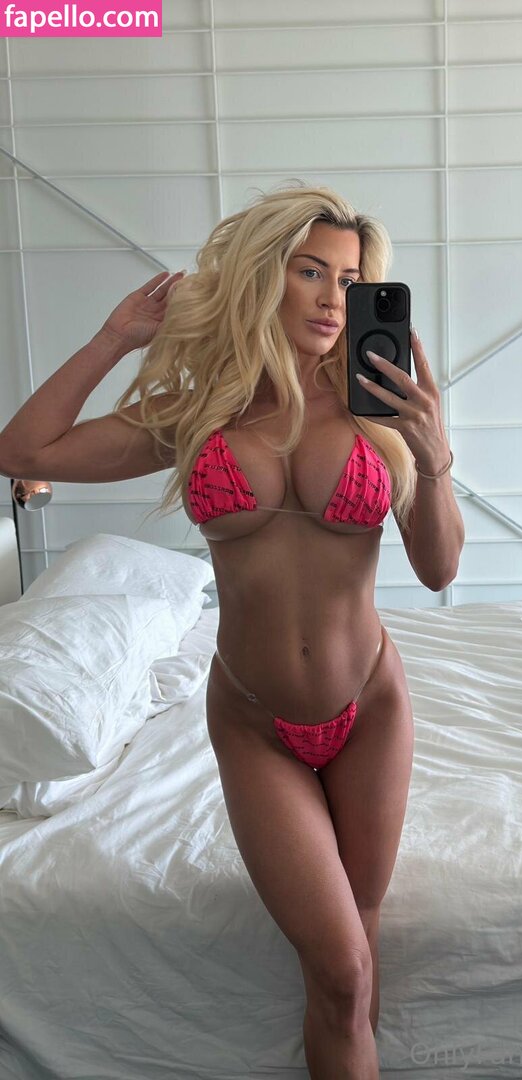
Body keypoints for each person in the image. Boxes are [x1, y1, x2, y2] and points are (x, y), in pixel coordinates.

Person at [0, 183, 465, 1079]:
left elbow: (439, 569)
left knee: (354, 961)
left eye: (351, 281)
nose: (334, 299)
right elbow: (21, 452)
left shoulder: (380, 411)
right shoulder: (198, 414)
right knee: (340, 964)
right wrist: (114, 340)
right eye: (311, 272)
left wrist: (434, 457)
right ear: (264, 277)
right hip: (256, 723)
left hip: (371, 706)